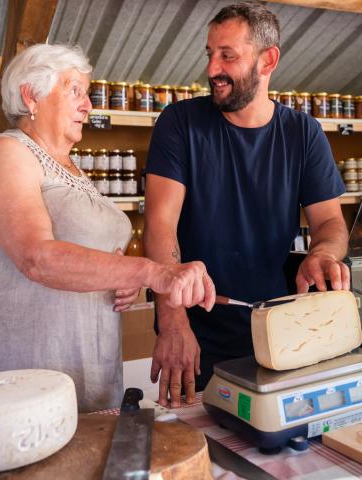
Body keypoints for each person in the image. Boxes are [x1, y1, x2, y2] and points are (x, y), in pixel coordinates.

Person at [0, 44, 215, 412]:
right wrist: (152, 272)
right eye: (74, 90)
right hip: (15, 382)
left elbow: (88, 259)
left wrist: (124, 278)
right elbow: (37, 257)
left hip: (86, 374)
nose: (88, 105)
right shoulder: (5, 152)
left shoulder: (74, 171)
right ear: (32, 95)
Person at [144, 2, 350, 408]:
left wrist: (322, 254)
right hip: (194, 332)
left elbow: (330, 222)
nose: (212, 70)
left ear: (267, 60)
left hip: (279, 329)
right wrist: (172, 322)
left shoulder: (304, 133)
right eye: (210, 54)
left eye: (228, 56)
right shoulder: (180, 123)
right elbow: (159, 226)